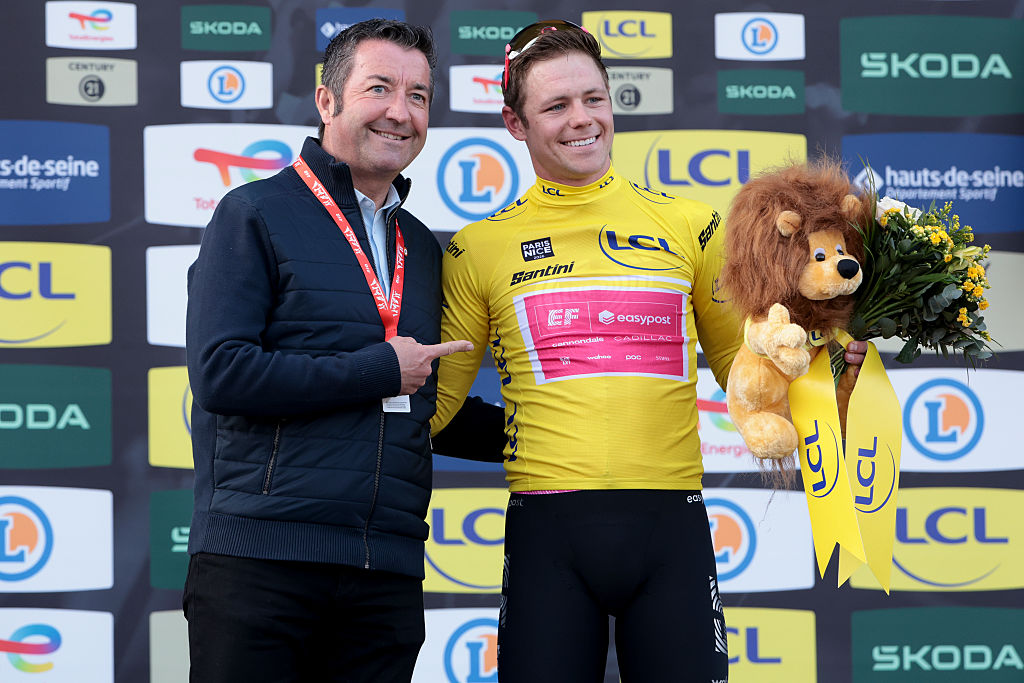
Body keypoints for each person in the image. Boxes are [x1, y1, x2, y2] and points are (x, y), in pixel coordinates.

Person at [431, 21, 867, 682]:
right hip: (547, 534)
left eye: (594, 99)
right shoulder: (478, 248)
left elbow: (746, 378)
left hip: (672, 532)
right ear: (515, 124)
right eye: (556, 106)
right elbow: (433, 409)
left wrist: (830, 374)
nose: (583, 120)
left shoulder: (691, 225)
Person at [183, 19, 502, 683]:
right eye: (379, 88)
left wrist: (562, 429)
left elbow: (425, 405)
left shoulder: (423, 244)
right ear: (327, 101)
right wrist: (381, 367)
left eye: (418, 95)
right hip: (262, 566)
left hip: (383, 571)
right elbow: (221, 373)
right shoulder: (254, 215)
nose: (400, 111)